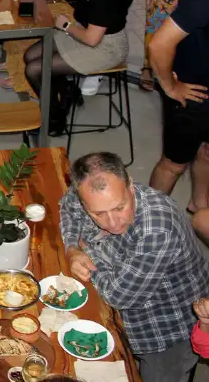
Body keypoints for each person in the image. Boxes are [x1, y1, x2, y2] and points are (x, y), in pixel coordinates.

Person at [60, 152, 209, 382]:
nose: (112, 222)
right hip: (122, 303)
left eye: (119, 207)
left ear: (130, 185)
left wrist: (87, 251)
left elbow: (118, 296)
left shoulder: (158, 229)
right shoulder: (88, 191)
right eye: (98, 213)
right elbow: (68, 207)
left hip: (167, 333)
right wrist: (72, 248)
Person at [148, 0, 209, 208]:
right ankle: (148, 220)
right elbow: (159, 45)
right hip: (193, 93)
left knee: (206, 152)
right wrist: (170, 86)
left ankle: (199, 205)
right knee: (174, 164)